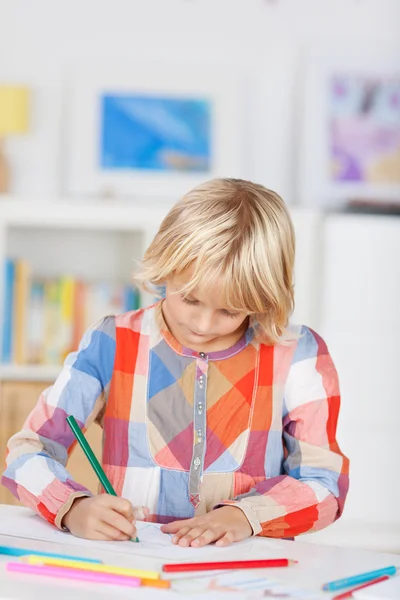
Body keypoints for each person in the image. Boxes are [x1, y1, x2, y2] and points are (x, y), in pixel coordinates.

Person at [1, 178, 349, 548]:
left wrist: (245, 516)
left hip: (243, 570)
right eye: (190, 299)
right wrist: (73, 507)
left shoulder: (297, 354)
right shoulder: (113, 343)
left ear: (264, 297)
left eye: (230, 311)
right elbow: (28, 452)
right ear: (166, 268)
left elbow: (323, 485)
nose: (202, 325)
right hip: (133, 564)